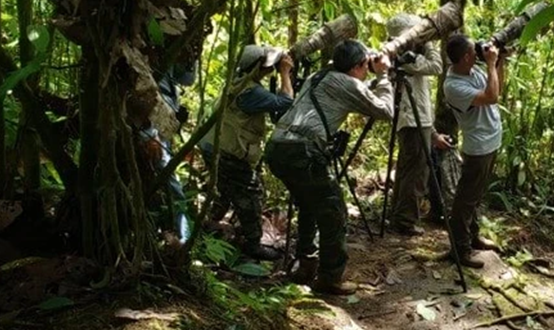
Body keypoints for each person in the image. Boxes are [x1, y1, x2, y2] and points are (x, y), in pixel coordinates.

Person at [265, 40, 393, 295]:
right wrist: (385, 75)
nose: (368, 69)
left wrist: (375, 79)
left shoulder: (319, 76)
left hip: (278, 147)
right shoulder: (348, 83)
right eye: (365, 65)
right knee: (333, 211)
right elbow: (386, 110)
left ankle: (306, 265)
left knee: (309, 203)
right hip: (303, 151)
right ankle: (330, 278)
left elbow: (355, 92)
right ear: (357, 66)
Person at [200, 45, 294, 261]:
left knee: (225, 189)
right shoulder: (251, 92)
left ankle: (205, 227)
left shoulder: (238, 83)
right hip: (227, 152)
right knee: (250, 193)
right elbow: (286, 103)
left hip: (214, 147)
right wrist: (285, 73)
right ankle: (252, 244)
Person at [386, 14, 453, 236]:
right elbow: (436, 66)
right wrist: (429, 41)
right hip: (413, 120)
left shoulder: (405, 57)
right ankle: (406, 220)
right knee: (416, 172)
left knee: (408, 169)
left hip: (415, 119)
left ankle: (399, 215)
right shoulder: (406, 58)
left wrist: (433, 133)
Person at [442, 33, 504, 269]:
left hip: (491, 141)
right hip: (478, 146)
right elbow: (491, 96)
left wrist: (499, 63)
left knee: (475, 195)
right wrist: (490, 64)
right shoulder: (453, 85)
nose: (478, 53)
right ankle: (460, 249)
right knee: (465, 200)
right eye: (473, 52)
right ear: (467, 57)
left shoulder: (473, 72)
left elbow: (497, 90)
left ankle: (473, 236)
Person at [141, 62, 196, 243]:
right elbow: (139, 93)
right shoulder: (147, 51)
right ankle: (181, 241)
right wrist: (151, 133)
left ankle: (161, 237)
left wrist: (191, 54)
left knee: (158, 184)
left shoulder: (170, 52)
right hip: (148, 130)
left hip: (162, 128)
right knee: (170, 188)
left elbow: (187, 79)